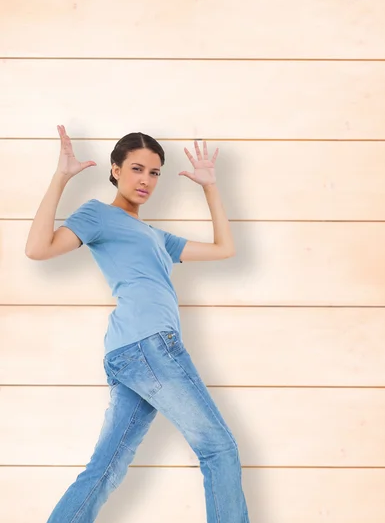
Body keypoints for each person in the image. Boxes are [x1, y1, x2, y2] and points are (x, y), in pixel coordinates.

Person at [25, 125, 250, 523]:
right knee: (219, 449)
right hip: (150, 347)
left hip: (132, 353)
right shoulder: (98, 214)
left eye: (155, 172)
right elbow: (38, 249)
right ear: (115, 170)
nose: (146, 180)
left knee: (106, 469)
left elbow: (224, 249)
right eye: (136, 169)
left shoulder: (155, 236)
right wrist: (61, 177)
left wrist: (210, 187)